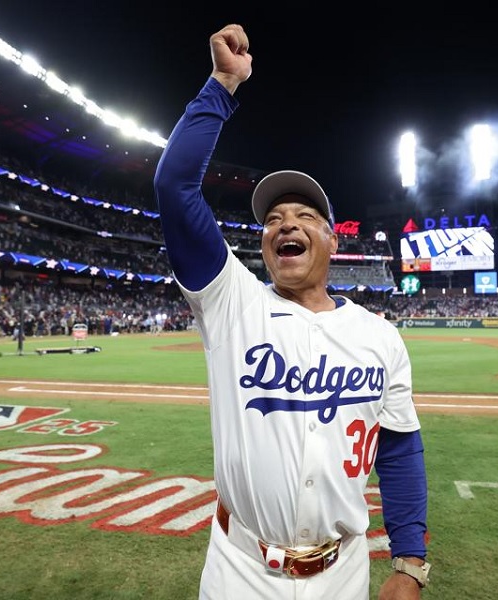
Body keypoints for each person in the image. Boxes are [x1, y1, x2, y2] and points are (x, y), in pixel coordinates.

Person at [154, 24, 430, 600]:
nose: (285, 224)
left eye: (304, 216)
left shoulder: (379, 337)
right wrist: (223, 85)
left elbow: (400, 450)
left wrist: (410, 564)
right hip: (240, 571)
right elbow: (175, 185)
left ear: (332, 241)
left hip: (343, 573)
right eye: (273, 219)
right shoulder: (231, 301)